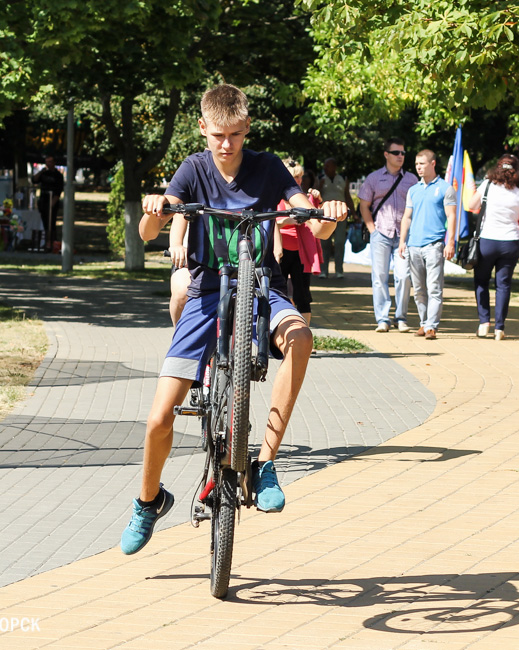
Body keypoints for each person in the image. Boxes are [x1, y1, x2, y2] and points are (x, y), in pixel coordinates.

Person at [128, 84, 348, 555]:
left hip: (262, 289)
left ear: (246, 128)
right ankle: (149, 501)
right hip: (209, 292)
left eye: (234, 134)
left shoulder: (267, 168)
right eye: (217, 135)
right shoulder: (194, 168)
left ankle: (265, 462)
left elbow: (313, 223)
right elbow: (150, 229)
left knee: (302, 338)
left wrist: (327, 215)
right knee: (158, 418)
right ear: (203, 129)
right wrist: (153, 212)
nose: (226, 145)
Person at [466, 154, 519, 340]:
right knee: (504, 285)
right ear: (516, 170)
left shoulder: (488, 185)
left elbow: (471, 205)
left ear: (497, 168)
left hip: (488, 241)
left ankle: (484, 323)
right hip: (510, 242)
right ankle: (500, 328)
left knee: (482, 282)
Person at [358, 138, 418, 332]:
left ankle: (400, 317)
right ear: (386, 154)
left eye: (403, 153)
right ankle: (382, 319)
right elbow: (364, 205)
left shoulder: (411, 179)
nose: (401, 156)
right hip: (381, 233)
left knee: (404, 276)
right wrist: (372, 231)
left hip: (403, 237)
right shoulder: (374, 178)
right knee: (379, 277)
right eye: (396, 153)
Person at [397, 150, 457, 339]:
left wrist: (450, 242)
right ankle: (423, 323)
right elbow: (407, 217)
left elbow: (451, 215)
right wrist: (402, 241)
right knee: (419, 290)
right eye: (416, 164)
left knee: (434, 288)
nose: (419, 168)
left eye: (422, 164)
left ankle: (432, 325)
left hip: (434, 245)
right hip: (413, 245)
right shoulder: (413, 190)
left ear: (433, 163)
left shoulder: (445, 188)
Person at [273, 158, 323, 325]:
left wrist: (319, 199)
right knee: (277, 292)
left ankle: (305, 334)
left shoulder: (306, 199)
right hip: (280, 252)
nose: (298, 180)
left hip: (302, 253)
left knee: (302, 295)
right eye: (294, 177)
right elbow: (268, 223)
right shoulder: (275, 198)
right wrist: (283, 222)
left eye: (300, 176)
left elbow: (318, 219)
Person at [315, 158, 355, 278]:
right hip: (325, 215)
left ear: (334, 167)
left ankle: (339, 271)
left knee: (339, 242)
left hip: (341, 215)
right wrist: (319, 186)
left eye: (328, 166)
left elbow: (347, 195)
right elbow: (314, 194)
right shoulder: (320, 178)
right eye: (325, 166)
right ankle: (323, 271)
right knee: (324, 243)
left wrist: (353, 212)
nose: (325, 168)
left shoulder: (343, 179)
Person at [33, 156, 65, 251]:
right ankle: (43, 242)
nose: (48, 164)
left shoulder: (58, 175)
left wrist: (52, 204)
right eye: (47, 162)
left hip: (52, 201)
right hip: (43, 199)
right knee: (42, 222)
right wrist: (41, 171)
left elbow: (59, 191)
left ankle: (52, 242)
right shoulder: (43, 173)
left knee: (51, 223)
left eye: (50, 162)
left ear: (54, 163)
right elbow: (34, 180)